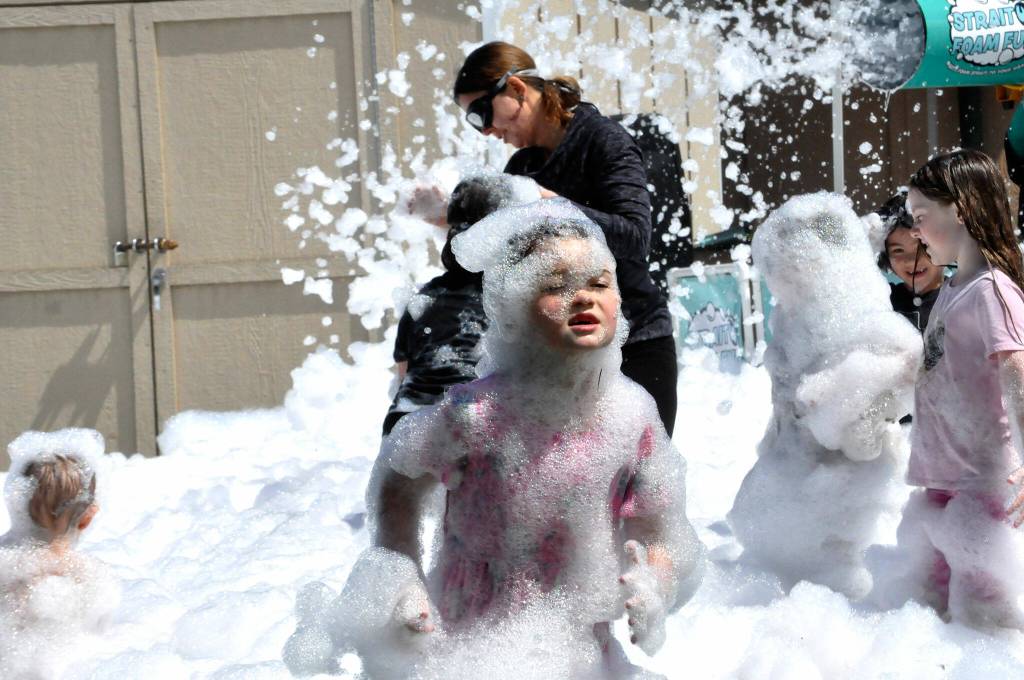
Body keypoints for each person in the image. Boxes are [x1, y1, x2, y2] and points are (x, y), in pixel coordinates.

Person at [287, 201, 702, 677]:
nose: (584, 298)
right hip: (473, 648)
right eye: (556, 286)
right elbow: (398, 481)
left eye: (598, 284)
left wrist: (656, 583)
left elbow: (658, 535)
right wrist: (402, 574)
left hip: (580, 652)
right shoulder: (475, 414)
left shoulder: (632, 417)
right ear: (512, 310)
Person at [448, 42, 679, 436]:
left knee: (631, 494)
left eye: (481, 112)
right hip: (559, 356)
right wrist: (452, 220)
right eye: (474, 121)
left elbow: (636, 238)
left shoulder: (603, 140)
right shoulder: (522, 167)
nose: (485, 129)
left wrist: (549, 204)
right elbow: (491, 260)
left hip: (632, 345)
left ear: (517, 89)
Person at [893, 149, 1024, 629]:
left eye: (923, 218)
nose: (917, 233)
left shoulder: (992, 291)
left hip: (985, 487)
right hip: (944, 482)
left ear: (963, 210)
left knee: (985, 619)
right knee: (934, 613)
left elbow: (1018, 380)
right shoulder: (954, 288)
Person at [383, 173, 540, 435]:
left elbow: (404, 376)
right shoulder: (516, 298)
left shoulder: (424, 299)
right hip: (478, 430)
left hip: (403, 431)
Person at [0, 429, 118, 678]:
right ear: (88, 518)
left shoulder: (6, 562)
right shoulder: (89, 577)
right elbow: (101, 646)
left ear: (16, 502)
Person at [875, 190, 944, 333]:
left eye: (920, 246)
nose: (911, 261)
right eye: (898, 251)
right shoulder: (882, 299)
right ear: (886, 258)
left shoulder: (959, 296)